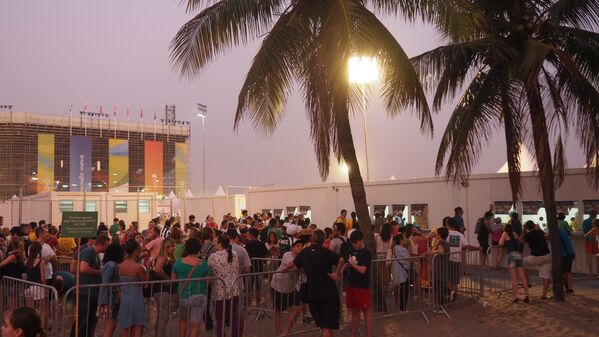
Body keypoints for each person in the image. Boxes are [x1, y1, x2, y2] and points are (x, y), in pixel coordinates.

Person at [293, 229, 344, 337]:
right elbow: (341, 259)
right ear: (323, 240)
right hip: (328, 293)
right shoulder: (326, 252)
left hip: (313, 293)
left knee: (323, 326)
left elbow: (295, 264)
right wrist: (337, 273)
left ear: (312, 239)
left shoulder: (305, 252)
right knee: (327, 326)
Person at [70, 234, 110, 337]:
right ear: (101, 244)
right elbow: (83, 268)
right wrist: (100, 272)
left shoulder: (94, 253)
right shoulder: (89, 251)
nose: (107, 248)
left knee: (89, 319)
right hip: (85, 292)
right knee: (83, 320)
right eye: (106, 245)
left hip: (91, 292)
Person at [172, 238, 210, 337]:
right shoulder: (203, 264)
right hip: (199, 295)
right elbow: (208, 281)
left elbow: (173, 280)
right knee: (194, 325)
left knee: (183, 320)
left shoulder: (179, 262)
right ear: (199, 248)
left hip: (184, 295)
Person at [208, 235, 241, 337]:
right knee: (233, 318)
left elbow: (209, 271)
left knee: (220, 320)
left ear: (220, 244)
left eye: (215, 242)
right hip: (234, 290)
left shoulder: (213, 257)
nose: (214, 243)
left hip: (219, 292)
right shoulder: (234, 254)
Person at [270, 240, 304, 336]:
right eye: (298, 246)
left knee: (298, 307)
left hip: (291, 288)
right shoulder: (287, 255)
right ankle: (278, 333)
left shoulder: (302, 259)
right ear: (293, 248)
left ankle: (286, 331)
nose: (300, 247)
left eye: (301, 246)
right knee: (278, 311)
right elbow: (292, 266)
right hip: (278, 285)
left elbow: (302, 270)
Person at [117, 239, 148, 337]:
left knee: (126, 328)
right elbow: (145, 283)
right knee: (138, 326)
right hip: (136, 298)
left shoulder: (120, 266)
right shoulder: (138, 267)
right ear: (135, 251)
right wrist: (148, 268)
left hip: (125, 299)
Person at [345, 230, 372, 337]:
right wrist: (347, 266)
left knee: (366, 311)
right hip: (352, 284)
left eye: (356, 243)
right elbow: (347, 263)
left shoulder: (366, 252)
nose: (354, 245)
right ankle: (354, 334)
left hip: (363, 285)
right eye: (353, 243)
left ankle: (368, 334)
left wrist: (352, 265)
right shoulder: (351, 249)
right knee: (355, 311)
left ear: (361, 240)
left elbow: (363, 270)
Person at [150, 238, 178, 337]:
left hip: (166, 290)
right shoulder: (162, 257)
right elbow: (157, 269)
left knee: (163, 316)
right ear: (167, 247)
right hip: (162, 290)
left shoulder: (170, 257)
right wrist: (167, 279)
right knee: (163, 317)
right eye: (173, 246)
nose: (174, 248)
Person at [446, 218, 480, 301]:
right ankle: (454, 295)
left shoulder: (446, 233)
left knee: (448, 278)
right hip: (457, 260)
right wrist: (477, 248)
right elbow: (467, 246)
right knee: (455, 280)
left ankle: (450, 294)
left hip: (448, 259)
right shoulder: (460, 234)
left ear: (447, 225)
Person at [98, 243, 125, 337]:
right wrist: (117, 290)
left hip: (111, 299)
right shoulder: (111, 265)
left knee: (111, 325)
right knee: (110, 325)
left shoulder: (111, 264)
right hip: (110, 300)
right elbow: (106, 282)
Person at [499, 224, 529, 303]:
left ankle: (516, 296)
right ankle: (527, 295)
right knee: (523, 277)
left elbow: (500, 243)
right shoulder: (515, 233)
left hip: (511, 256)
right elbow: (520, 241)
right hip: (519, 256)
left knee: (514, 279)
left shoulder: (505, 234)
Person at [522, 220, 552, 299]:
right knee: (546, 276)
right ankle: (544, 295)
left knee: (522, 263)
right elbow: (546, 236)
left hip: (535, 257)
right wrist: (539, 228)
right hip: (547, 256)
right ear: (534, 226)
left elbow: (521, 240)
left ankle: (527, 282)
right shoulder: (539, 232)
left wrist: (523, 229)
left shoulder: (528, 235)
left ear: (527, 227)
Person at [390, 234, 411, 311]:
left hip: (398, 270)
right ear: (401, 240)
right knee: (404, 290)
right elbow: (408, 259)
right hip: (402, 271)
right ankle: (402, 308)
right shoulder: (402, 249)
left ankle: (401, 307)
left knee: (402, 289)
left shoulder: (395, 248)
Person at [432, 227, 450, 310]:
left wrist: (432, 252)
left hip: (439, 267)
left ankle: (440, 306)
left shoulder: (441, 242)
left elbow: (441, 251)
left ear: (439, 234)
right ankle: (442, 305)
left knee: (439, 286)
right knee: (441, 286)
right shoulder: (446, 242)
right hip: (443, 266)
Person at [557, 227, 576, 293]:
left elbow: (546, 236)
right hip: (571, 253)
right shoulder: (562, 230)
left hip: (565, 254)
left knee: (564, 272)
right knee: (568, 272)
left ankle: (565, 287)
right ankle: (569, 288)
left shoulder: (555, 231)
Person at [582, 210, 598, 277]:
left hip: (587, 241)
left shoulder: (585, 222)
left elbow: (584, 233)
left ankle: (590, 273)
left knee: (589, 256)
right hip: (595, 241)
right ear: (595, 215)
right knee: (597, 257)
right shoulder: (596, 222)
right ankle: (597, 272)